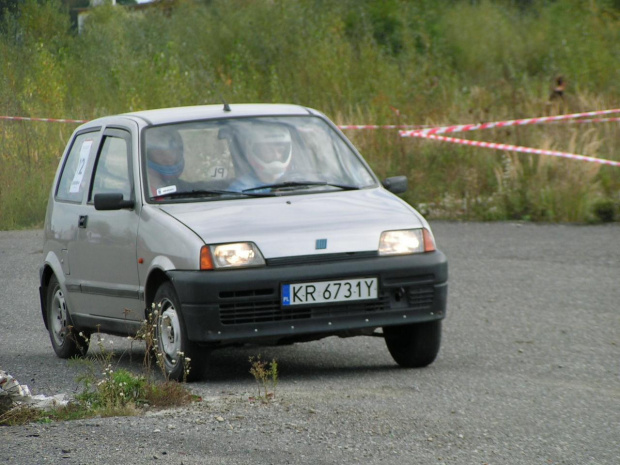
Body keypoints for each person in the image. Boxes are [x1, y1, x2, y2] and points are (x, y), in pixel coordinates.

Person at [228, 123, 293, 192]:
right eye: (268, 151)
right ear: (254, 153)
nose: (276, 156)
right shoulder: (240, 189)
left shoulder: (295, 182)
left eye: (280, 151)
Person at [145, 128, 185, 198]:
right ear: (148, 157)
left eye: (173, 151)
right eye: (160, 153)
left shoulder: (189, 189)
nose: (169, 159)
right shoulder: (137, 192)